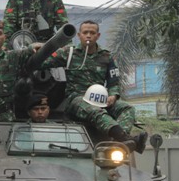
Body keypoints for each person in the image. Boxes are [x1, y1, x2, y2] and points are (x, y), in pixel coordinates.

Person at [41, 20, 147, 153]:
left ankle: (119, 143)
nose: (89, 36)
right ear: (79, 35)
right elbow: (43, 62)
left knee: (127, 108)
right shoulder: (68, 53)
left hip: (100, 98)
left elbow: (113, 81)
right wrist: (37, 50)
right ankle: (125, 138)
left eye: (92, 33)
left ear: (98, 35)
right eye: (85, 32)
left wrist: (113, 96)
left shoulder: (106, 56)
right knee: (95, 111)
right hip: (76, 99)